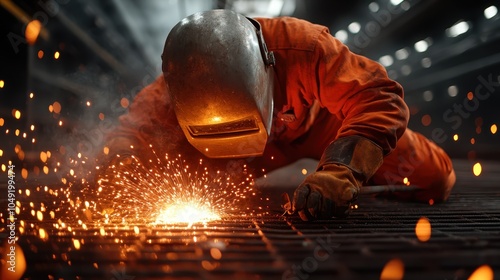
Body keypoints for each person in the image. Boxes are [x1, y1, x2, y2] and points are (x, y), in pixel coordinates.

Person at [98, 9, 456, 221]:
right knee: (185, 186)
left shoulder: (302, 46)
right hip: (227, 160)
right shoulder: (174, 85)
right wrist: (121, 173)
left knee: (432, 178)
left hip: (323, 127)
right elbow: (128, 136)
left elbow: (380, 99)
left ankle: (347, 180)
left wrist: (342, 170)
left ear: (265, 70)